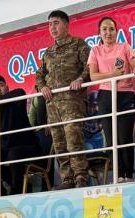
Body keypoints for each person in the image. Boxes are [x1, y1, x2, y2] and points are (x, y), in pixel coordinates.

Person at [35, 9, 92, 189]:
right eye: (50, 24)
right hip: (53, 106)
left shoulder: (78, 44)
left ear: (66, 25)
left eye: (56, 23)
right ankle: (67, 179)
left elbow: (90, 67)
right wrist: (42, 87)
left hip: (72, 102)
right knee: (59, 144)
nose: (52, 27)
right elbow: (39, 75)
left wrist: (80, 79)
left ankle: (81, 177)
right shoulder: (48, 52)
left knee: (74, 140)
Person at [89, 17, 135, 182]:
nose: (108, 32)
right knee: (112, 139)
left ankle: (129, 175)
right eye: (104, 29)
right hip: (105, 95)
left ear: (116, 32)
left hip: (125, 94)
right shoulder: (95, 50)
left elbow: (134, 62)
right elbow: (93, 76)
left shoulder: (124, 46)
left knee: (125, 137)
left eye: (111, 29)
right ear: (99, 33)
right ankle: (118, 175)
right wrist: (112, 74)